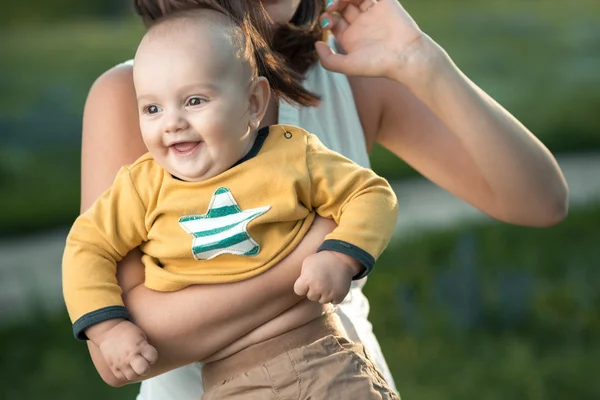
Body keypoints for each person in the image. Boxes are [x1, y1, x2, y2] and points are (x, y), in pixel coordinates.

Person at [80, 0, 569, 398]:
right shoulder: (135, 100)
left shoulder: (346, 76)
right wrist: (314, 250)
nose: (174, 116)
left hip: (346, 382)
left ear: (254, 99)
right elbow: (124, 349)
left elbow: (539, 200)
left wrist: (421, 60)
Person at [63, 5, 399, 398]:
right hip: (228, 384)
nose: (172, 122)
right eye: (152, 108)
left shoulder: (290, 155)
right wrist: (109, 329)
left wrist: (340, 258)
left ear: (254, 103)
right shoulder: (141, 188)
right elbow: (86, 247)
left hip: (323, 361)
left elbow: (371, 193)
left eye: (194, 101)